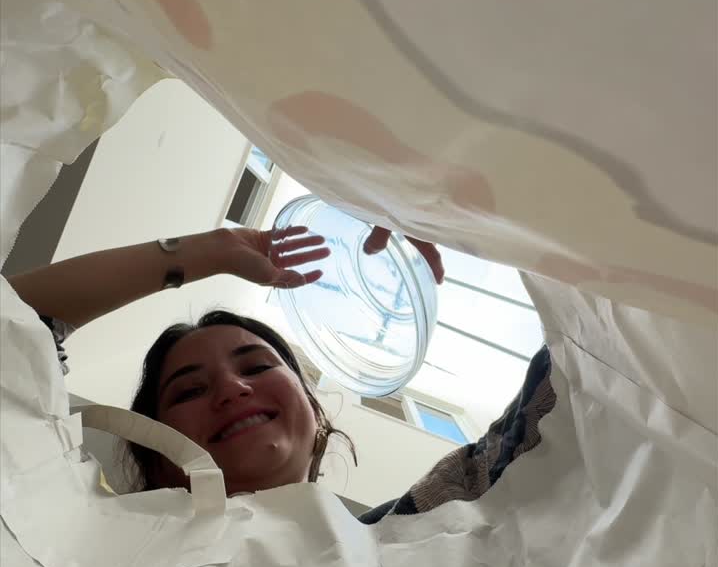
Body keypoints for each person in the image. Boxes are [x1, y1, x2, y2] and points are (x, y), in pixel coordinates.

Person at [8, 224, 554, 523]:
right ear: (154, 457)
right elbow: (12, 332)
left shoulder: (422, 527)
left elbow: (589, 388)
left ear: (316, 413)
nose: (231, 387)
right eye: (190, 390)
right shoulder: (78, 531)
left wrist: (464, 206)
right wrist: (210, 249)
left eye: (257, 366)